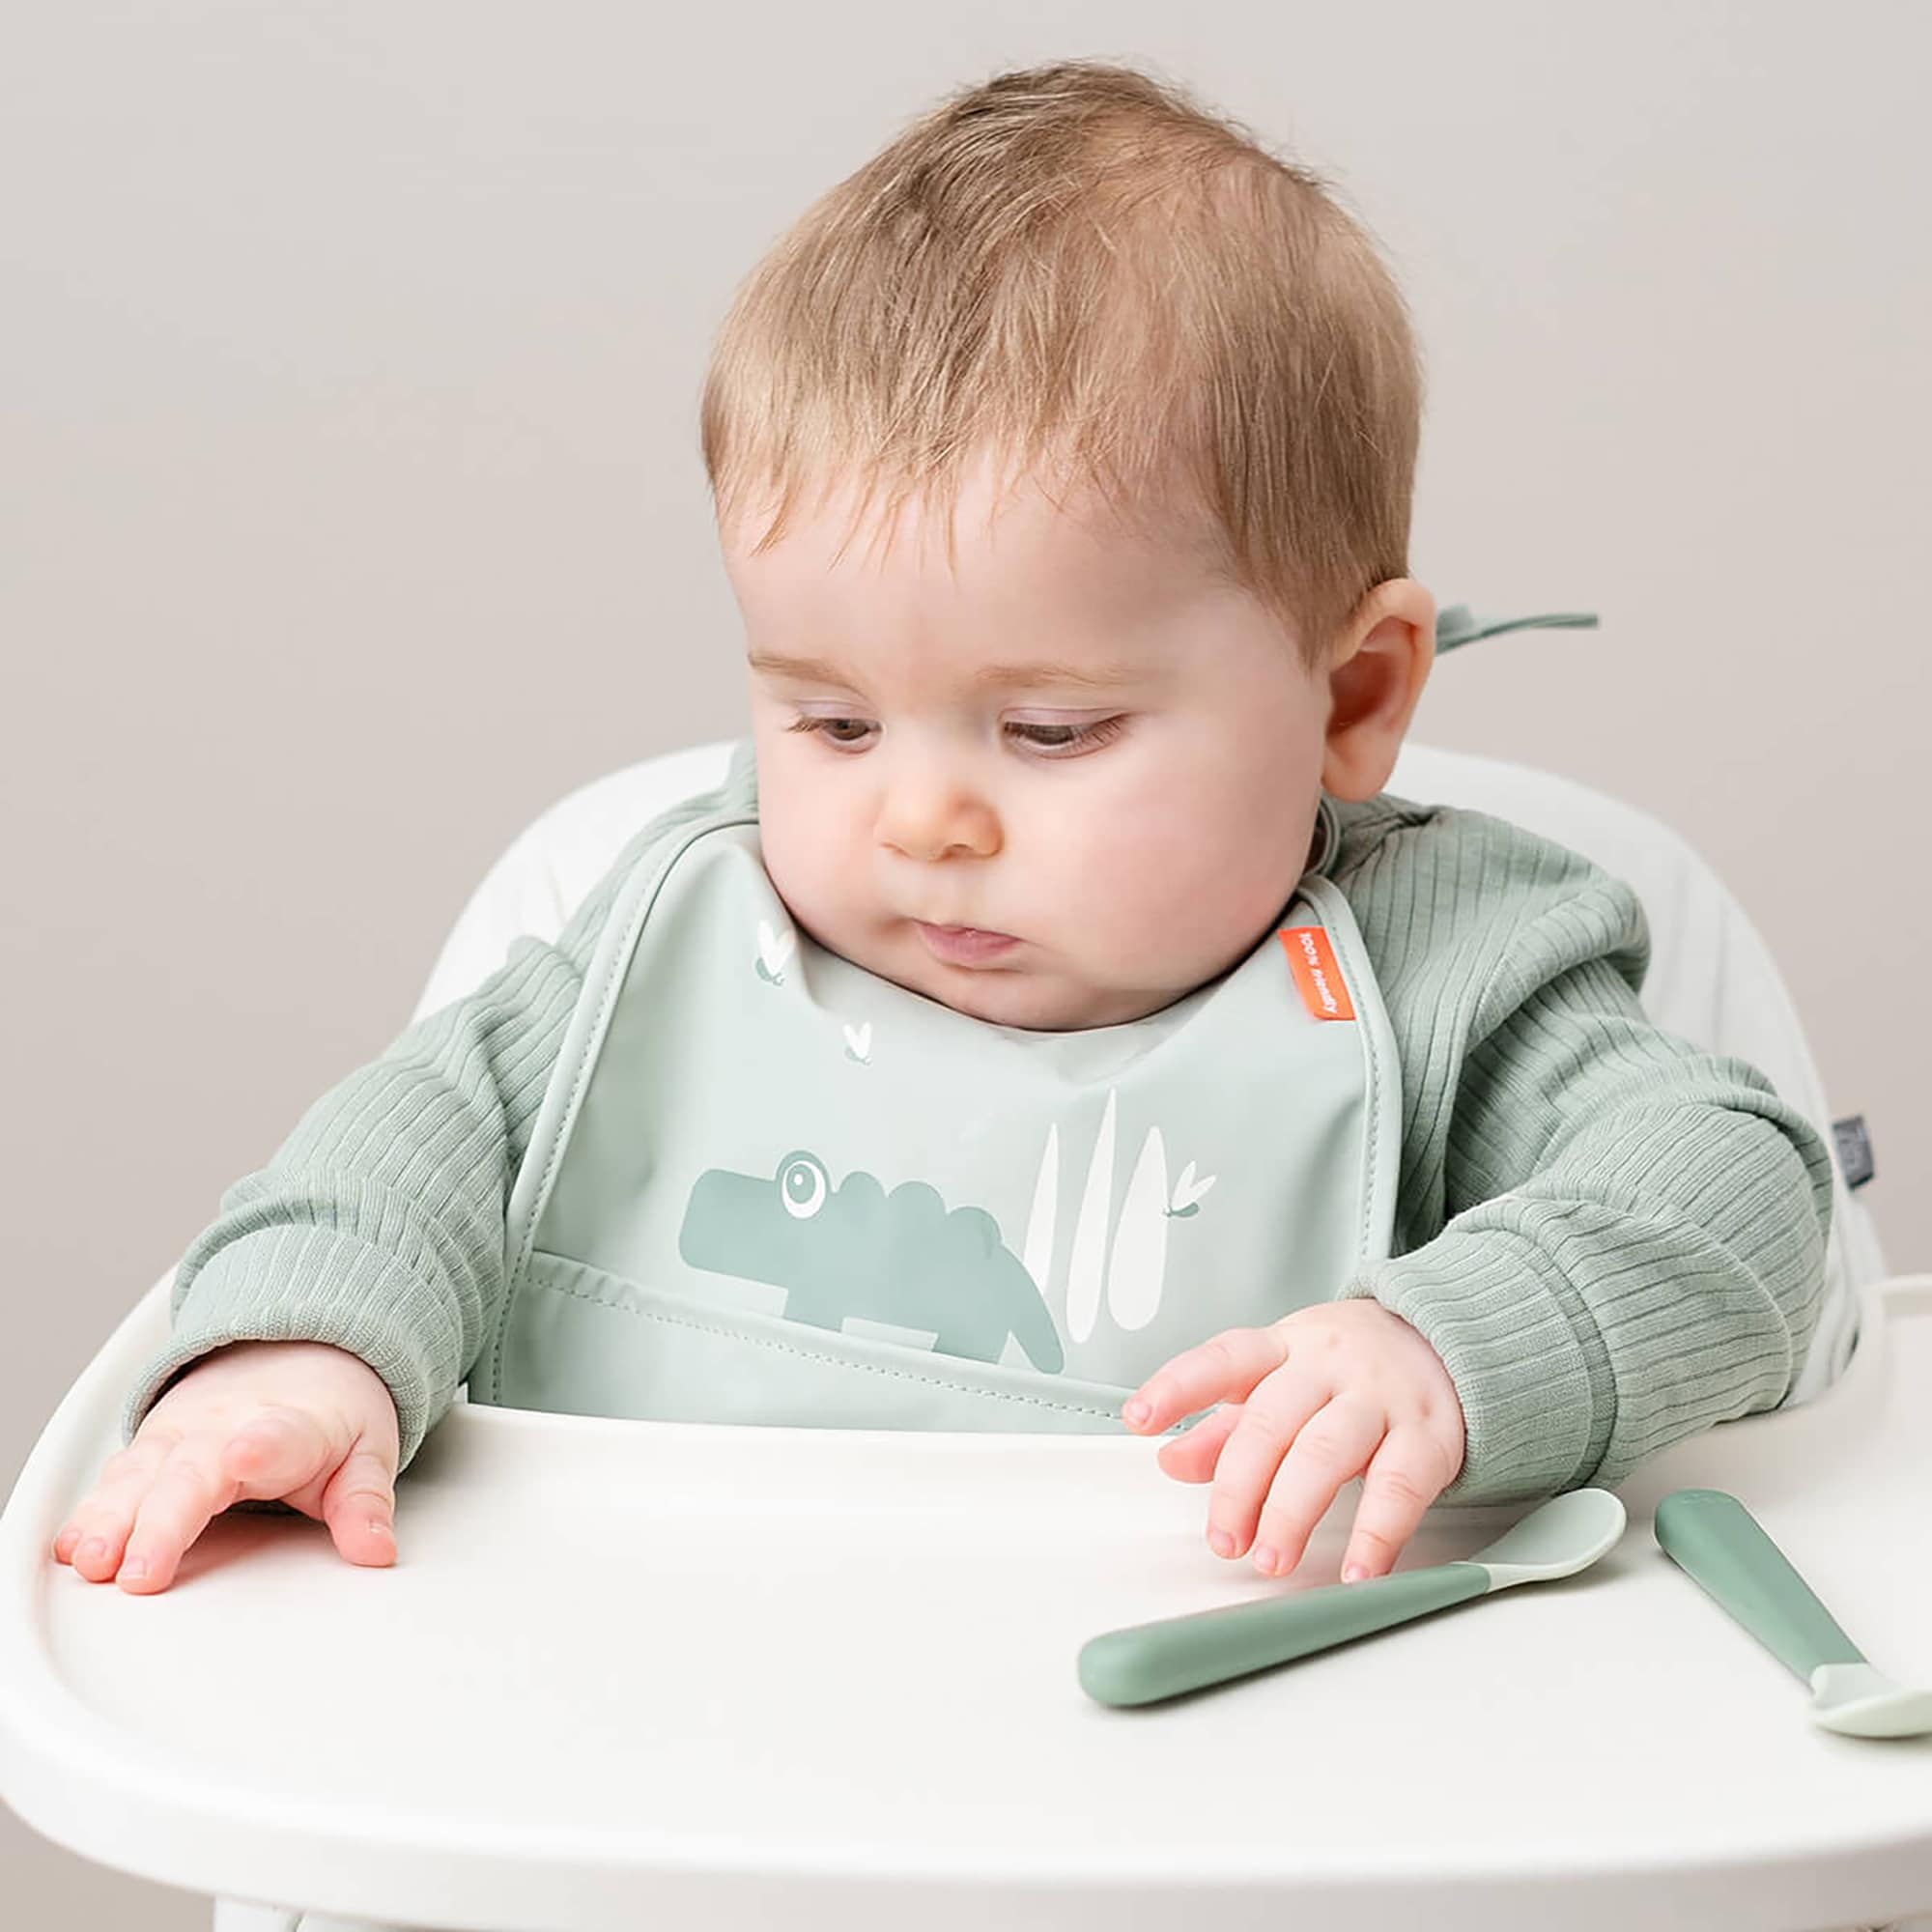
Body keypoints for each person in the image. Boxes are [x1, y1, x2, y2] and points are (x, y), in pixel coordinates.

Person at [53, 58, 1832, 1605]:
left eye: (1051, 730)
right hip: (648, 1753)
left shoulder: (1453, 971)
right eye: (828, 720)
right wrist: (303, 1356)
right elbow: (400, 1148)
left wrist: (1459, 1347)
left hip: (1226, 1796)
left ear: (1354, 697)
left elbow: (1747, 1196)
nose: (917, 818)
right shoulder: (685, 929)